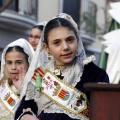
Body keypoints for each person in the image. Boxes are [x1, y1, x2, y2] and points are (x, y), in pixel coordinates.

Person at [15, 13, 109, 120]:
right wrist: (26, 117)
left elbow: (105, 113)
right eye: (57, 43)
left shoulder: (95, 74)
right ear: (46, 48)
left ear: (77, 40)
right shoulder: (39, 75)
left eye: (70, 40)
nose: (65, 47)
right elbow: (24, 108)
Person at [0, 38, 34, 120]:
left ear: (29, 64)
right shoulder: (2, 86)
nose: (13, 67)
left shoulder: (37, 89)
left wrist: (22, 90)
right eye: (9, 62)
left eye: (19, 62)